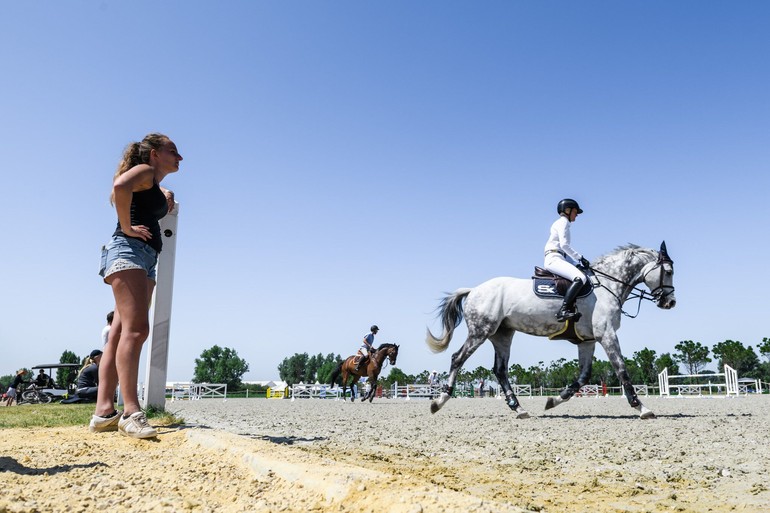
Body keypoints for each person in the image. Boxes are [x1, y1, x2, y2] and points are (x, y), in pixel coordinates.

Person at [90, 133, 182, 439]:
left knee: (118, 334)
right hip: (128, 251)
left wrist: (163, 191)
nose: (180, 158)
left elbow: (141, 192)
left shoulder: (151, 181)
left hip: (145, 258)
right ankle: (131, 411)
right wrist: (128, 228)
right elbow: (120, 187)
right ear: (154, 154)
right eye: (173, 151)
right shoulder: (143, 171)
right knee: (137, 330)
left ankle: (104, 412)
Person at [544, 198, 590, 322]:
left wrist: (576, 264)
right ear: (568, 211)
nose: (577, 215)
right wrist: (580, 258)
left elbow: (563, 252)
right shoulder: (563, 222)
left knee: (580, 274)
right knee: (580, 278)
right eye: (575, 212)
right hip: (554, 258)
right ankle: (563, 310)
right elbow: (565, 246)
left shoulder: (562, 223)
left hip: (558, 257)